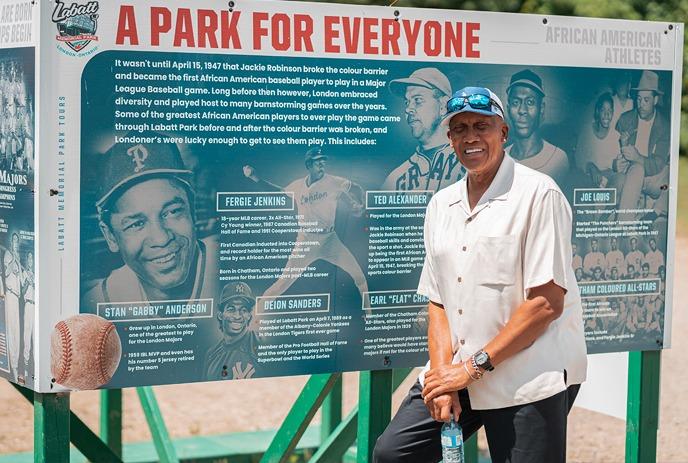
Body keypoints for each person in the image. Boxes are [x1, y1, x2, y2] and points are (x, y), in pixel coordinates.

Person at [374, 86, 587, 463]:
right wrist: (442, 379)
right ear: (450, 138)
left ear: (503, 132)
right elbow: (438, 299)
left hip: (527, 376)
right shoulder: (442, 205)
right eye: (459, 128)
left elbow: (545, 303)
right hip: (460, 367)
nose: (470, 137)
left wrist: (471, 370)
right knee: (394, 454)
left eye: (481, 126)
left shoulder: (539, 195)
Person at [81, 135, 218, 310]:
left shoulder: (230, 264)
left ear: (192, 210)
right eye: (136, 224)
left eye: (172, 212)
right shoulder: (96, 303)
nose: (161, 238)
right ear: (111, 237)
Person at [244, 147, 369, 307]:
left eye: (323, 161)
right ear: (308, 165)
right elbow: (278, 193)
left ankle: (369, 315)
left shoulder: (333, 181)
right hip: (306, 240)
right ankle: (256, 313)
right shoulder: (297, 186)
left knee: (359, 275)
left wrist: (361, 203)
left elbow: (356, 188)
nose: (322, 165)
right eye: (318, 162)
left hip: (330, 240)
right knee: (283, 283)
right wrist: (256, 178)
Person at [383, 67, 465, 192]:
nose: (408, 109)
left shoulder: (473, 166)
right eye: (407, 102)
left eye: (418, 100)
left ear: (443, 106)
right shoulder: (394, 180)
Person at [613, 70, 670, 221]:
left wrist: (638, 157)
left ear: (655, 100)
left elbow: (658, 163)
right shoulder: (625, 119)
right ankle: (623, 226)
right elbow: (611, 153)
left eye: (646, 100)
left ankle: (655, 212)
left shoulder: (664, 126)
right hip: (631, 175)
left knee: (672, 172)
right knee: (637, 169)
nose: (641, 105)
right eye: (639, 99)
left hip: (653, 180)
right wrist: (616, 163)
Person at [505, 69, 569, 186]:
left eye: (530, 102)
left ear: (542, 109)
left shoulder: (558, 159)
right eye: (516, 102)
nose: (522, 110)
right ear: (508, 109)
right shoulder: (500, 159)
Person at [204, 281, 260, 380]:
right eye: (231, 309)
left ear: (249, 315)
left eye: (243, 310)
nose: (237, 316)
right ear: (220, 315)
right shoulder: (211, 354)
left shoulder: (259, 343)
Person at [576, 92, 620, 188]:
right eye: (603, 109)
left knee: (620, 180)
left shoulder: (616, 136)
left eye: (610, 110)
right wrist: (590, 166)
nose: (607, 114)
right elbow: (578, 158)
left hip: (607, 178)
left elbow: (615, 165)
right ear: (597, 111)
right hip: (588, 176)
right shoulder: (586, 131)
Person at [3, 233, 22, 382]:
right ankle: (13, 368)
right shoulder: (8, 255)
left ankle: (17, 366)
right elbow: (6, 272)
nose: (15, 242)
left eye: (17, 240)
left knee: (17, 331)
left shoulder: (18, 257)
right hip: (9, 294)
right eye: (14, 240)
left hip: (17, 297)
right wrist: (13, 260)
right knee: (11, 331)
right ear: (11, 241)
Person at [20, 250, 34, 380]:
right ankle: (24, 371)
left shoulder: (37, 274)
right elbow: (22, 292)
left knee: (36, 339)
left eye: (32, 259)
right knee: (27, 338)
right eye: (29, 259)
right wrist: (27, 282)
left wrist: (35, 283)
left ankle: (34, 372)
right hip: (28, 305)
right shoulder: (24, 273)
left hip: (37, 306)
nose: (30, 261)